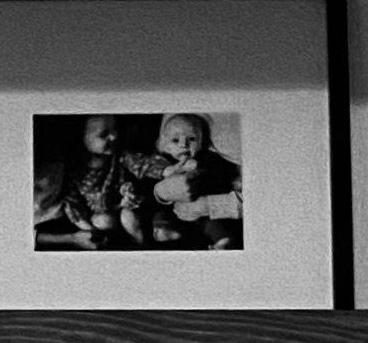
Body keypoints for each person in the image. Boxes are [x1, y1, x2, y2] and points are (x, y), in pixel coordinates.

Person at [134, 108, 244, 252]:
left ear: (202, 141)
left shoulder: (211, 157)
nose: (183, 145)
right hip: (174, 211)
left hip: (207, 206)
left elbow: (222, 176)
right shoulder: (163, 162)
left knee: (212, 225)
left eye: (191, 139)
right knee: (162, 216)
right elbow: (150, 183)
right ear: (165, 145)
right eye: (175, 140)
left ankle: (222, 241)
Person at [38, 114, 124, 246]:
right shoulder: (76, 171)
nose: (114, 137)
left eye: (115, 131)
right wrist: (82, 233)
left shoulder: (120, 159)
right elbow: (72, 202)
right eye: (103, 134)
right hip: (81, 221)